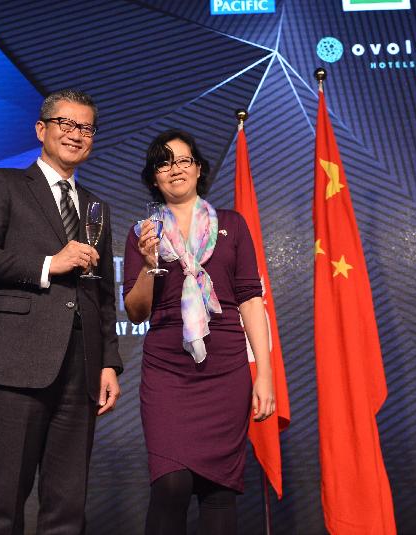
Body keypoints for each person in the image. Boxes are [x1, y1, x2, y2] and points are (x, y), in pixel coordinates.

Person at [0, 89, 122, 535]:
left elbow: (103, 293)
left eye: (85, 128)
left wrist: (108, 362)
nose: (75, 134)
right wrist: (50, 264)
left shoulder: (95, 207)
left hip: (81, 367)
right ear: (41, 129)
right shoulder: (4, 184)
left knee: (67, 505)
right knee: (3, 502)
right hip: (15, 361)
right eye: (66, 124)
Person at [123, 129, 275, 534]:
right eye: (164, 162)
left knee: (218, 490)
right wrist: (149, 264)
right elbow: (136, 312)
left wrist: (264, 373)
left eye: (184, 160)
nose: (175, 169)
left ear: (200, 169)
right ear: (154, 177)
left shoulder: (232, 224)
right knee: (171, 484)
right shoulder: (143, 233)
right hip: (167, 369)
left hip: (226, 367)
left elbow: (249, 300)